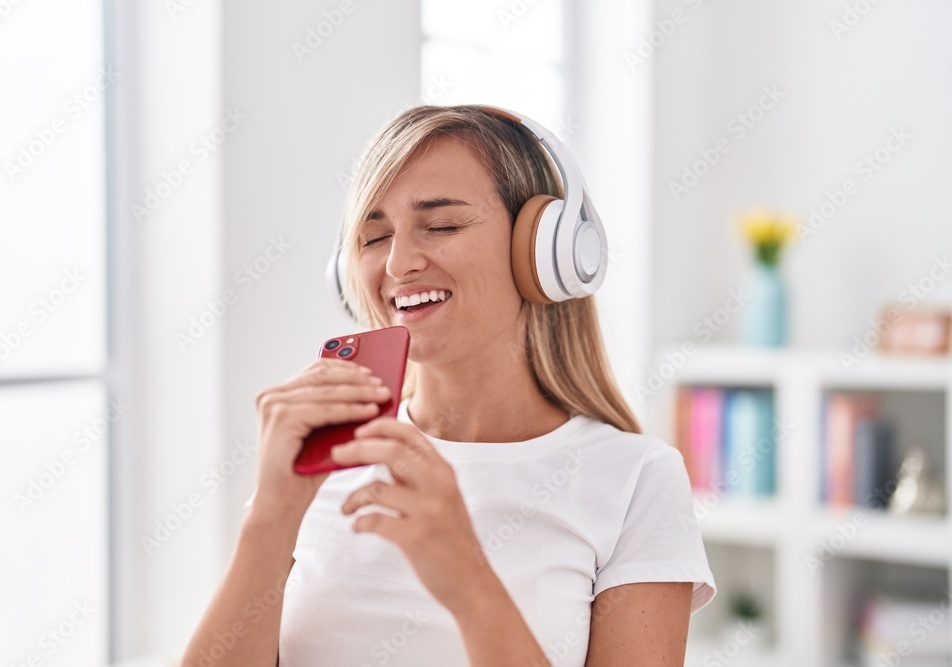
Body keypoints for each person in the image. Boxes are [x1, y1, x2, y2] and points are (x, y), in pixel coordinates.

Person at [181, 105, 716, 667]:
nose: (398, 264)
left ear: (544, 250)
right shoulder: (326, 452)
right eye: (373, 237)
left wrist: (466, 578)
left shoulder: (637, 479)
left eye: (441, 226)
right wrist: (269, 515)